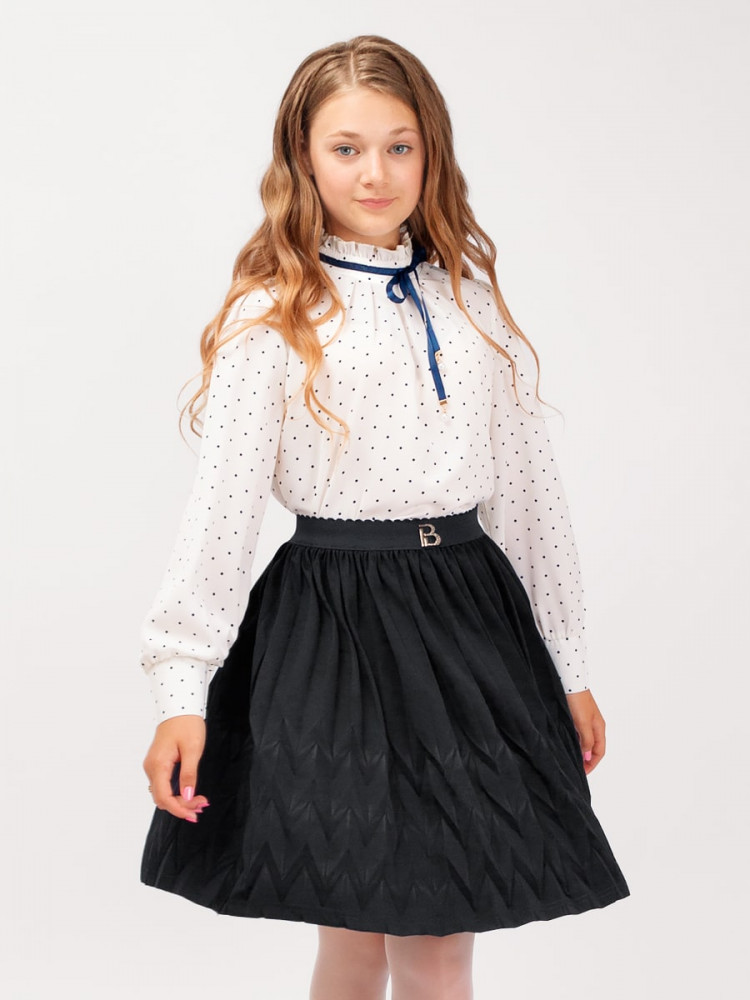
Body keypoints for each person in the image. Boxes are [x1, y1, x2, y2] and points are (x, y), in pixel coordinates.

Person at [139, 33, 630, 1000]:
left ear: (431, 152)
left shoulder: (472, 307)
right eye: (347, 148)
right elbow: (220, 518)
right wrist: (179, 691)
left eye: (400, 147)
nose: (376, 173)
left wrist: (568, 665)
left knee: (442, 934)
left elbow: (531, 500)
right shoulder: (272, 317)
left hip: (471, 624)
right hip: (333, 628)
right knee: (357, 924)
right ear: (302, 158)